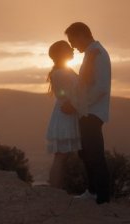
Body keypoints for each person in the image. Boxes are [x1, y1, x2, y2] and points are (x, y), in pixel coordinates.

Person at [61, 22, 111, 204]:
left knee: (95, 154)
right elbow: (86, 85)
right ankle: (93, 191)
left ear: (82, 34)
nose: (73, 45)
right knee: (87, 153)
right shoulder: (91, 53)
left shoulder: (99, 54)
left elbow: (101, 88)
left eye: (73, 40)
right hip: (86, 111)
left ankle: (102, 198)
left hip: (93, 112)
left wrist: (76, 104)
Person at [45, 40, 82, 189]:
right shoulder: (61, 72)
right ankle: (55, 189)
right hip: (65, 115)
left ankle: (57, 188)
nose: (72, 50)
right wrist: (72, 103)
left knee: (62, 155)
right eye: (68, 48)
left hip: (65, 113)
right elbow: (67, 93)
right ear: (61, 53)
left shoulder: (62, 71)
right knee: (61, 155)